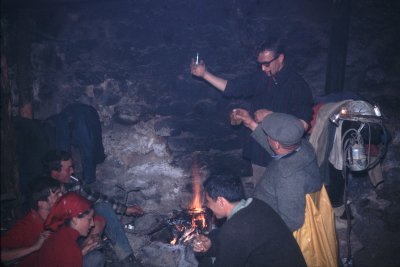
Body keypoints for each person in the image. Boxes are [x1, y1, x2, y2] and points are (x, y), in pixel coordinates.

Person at [190, 35, 313, 188]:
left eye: (267, 64)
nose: (263, 68)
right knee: (263, 201)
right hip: (260, 153)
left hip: (285, 158)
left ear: (280, 58)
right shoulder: (262, 77)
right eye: (260, 64)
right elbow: (232, 87)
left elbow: (303, 125)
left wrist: (272, 116)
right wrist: (205, 75)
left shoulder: (297, 85)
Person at [41, 149, 143, 266]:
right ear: (55, 173)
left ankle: (128, 260)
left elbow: (97, 198)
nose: (73, 171)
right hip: (61, 245)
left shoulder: (74, 182)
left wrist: (126, 209)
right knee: (94, 257)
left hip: (78, 233)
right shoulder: (45, 194)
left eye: (72, 166)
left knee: (103, 209)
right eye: (68, 168)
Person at [235, 111, 322, 231]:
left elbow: (291, 222)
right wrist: (250, 123)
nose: (266, 136)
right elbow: (279, 148)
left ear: (276, 144)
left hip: (270, 223)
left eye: (268, 136)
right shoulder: (303, 147)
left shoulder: (288, 178)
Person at [193, 175, 307, 267]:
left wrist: (205, 256)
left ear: (221, 201)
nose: (207, 206)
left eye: (207, 201)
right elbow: (234, 242)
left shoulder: (235, 229)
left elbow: (231, 244)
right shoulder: (257, 205)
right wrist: (211, 245)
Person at [1, 176, 62, 267]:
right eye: (57, 194)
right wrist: (34, 247)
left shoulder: (56, 217)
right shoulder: (25, 226)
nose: (61, 196)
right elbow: (3, 255)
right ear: (41, 203)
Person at [35, 192, 101, 267]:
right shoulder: (69, 248)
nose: (92, 224)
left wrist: (81, 252)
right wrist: (76, 254)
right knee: (96, 257)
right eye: (89, 219)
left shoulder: (61, 232)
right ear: (75, 219)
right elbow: (68, 256)